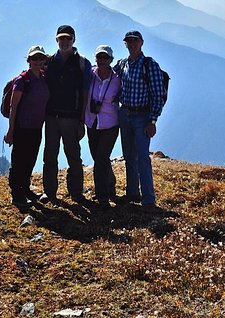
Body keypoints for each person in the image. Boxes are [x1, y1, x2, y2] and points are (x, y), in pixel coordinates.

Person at [114, 31, 165, 208]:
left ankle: (148, 199)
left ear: (141, 43)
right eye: (129, 41)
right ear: (125, 44)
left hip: (142, 116)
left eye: (135, 41)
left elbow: (158, 95)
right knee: (129, 156)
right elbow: (105, 74)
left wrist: (152, 121)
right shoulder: (122, 64)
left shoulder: (149, 65)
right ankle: (133, 193)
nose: (132, 44)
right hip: (125, 114)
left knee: (143, 157)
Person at [42, 25, 92, 203]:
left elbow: (86, 92)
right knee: (50, 155)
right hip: (51, 116)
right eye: (61, 39)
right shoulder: (48, 62)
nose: (64, 42)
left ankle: (76, 192)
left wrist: (81, 120)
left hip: (71, 117)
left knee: (73, 156)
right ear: (56, 40)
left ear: (74, 40)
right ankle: (49, 192)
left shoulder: (83, 64)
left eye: (67, 39)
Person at [4, 45, 50, 209]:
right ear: (28, 60)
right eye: (34, 58)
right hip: (22, 127)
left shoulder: (43, 77)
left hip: (36, 127)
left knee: (30, 159)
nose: (37, 61)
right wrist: (11, 131)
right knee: (19, 161)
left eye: (40, 58)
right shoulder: (22, 80)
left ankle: (25, 189)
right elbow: (13, 107)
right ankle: (17, 194)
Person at [84, 45, 121, 210]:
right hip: (91, 123)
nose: (102, 60)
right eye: (99, 57)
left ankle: (102, 197)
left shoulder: (117, 79)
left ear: (111, 60)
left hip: (110, 125)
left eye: (105, 58)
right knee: (100, 159)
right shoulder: (89, 75)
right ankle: (110, 186)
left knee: (100, 159)